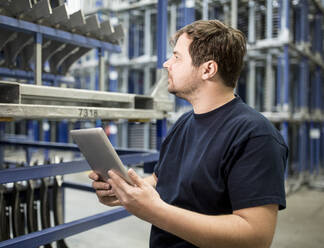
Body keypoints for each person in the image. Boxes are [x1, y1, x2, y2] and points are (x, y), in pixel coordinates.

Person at [89, 20, 288, 248]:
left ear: (208, 69)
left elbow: (255, 237)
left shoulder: (254, 135)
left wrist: (154, 211)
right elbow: (160, 180)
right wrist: (125, 191)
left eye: (177, 57)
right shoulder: (184, 123)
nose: (166, 64)